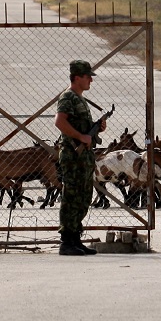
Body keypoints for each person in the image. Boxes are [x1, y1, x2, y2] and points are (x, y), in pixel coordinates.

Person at [53, 59, 106, 256]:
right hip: (72, 156)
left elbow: (81, 126)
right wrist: (80, 136)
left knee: (83, 197)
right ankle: (66, 242)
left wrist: (95, 129)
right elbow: (59, 122)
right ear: (77, 78)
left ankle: (75, 239)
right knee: (72, 197)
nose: (90, 81)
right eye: (87, 77)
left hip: (84, 158)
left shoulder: (80, 99)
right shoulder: (68, 97)